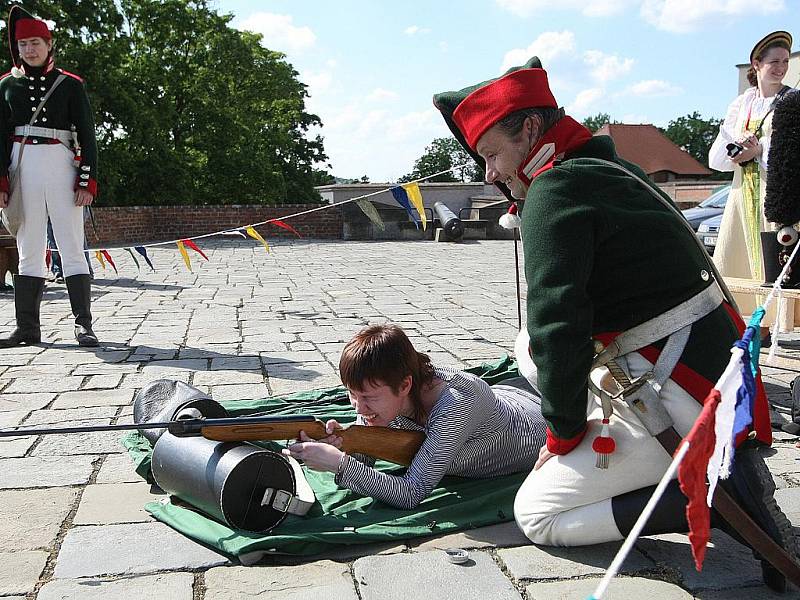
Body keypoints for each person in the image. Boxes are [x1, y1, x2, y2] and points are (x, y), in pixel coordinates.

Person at [432, 56, 796, 587]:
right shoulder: (606, 166)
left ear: (531, 129)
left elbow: (561, 328)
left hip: (686, 395)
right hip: (717, 369)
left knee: (537, 514)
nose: (490, 174)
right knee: (525, 346)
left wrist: (559, 437)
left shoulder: (554, 193)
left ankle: (704, 495)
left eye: (492, 154)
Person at [284, 324, 547, 509]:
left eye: (369, 398)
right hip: (505, 395)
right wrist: (345, 444)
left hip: (536, 410)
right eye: (352, 394)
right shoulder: (385, 388)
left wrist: (340, 464)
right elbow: (367, 458)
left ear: (405, 385)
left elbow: (410, 493)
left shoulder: (456, 403)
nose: (358, 409)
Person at [0, 7, 99, 347]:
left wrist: (87, 181)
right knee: (28, 248)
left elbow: (87, 135)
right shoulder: (6, 85)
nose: (30, 50)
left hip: (60, 163)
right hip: (21, 165)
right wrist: (1, 183)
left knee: (71, 245)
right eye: (24, 44)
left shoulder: (70, 85)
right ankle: (27, 329)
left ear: (48, 43)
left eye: (36, 43)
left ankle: (83, 324)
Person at [709, 31, 794, 333]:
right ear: (756, 65)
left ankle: (774, 329)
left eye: (785, 61)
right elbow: (715, 160)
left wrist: (760, 151)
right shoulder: (741, 104)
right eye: (774, 62)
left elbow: (793, 153)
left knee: (776, 264)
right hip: (740, 196)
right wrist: (735, 153)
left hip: (776, 196)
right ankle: (747, 328)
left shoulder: (792, 102)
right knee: (738, 262)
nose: (781, 67)